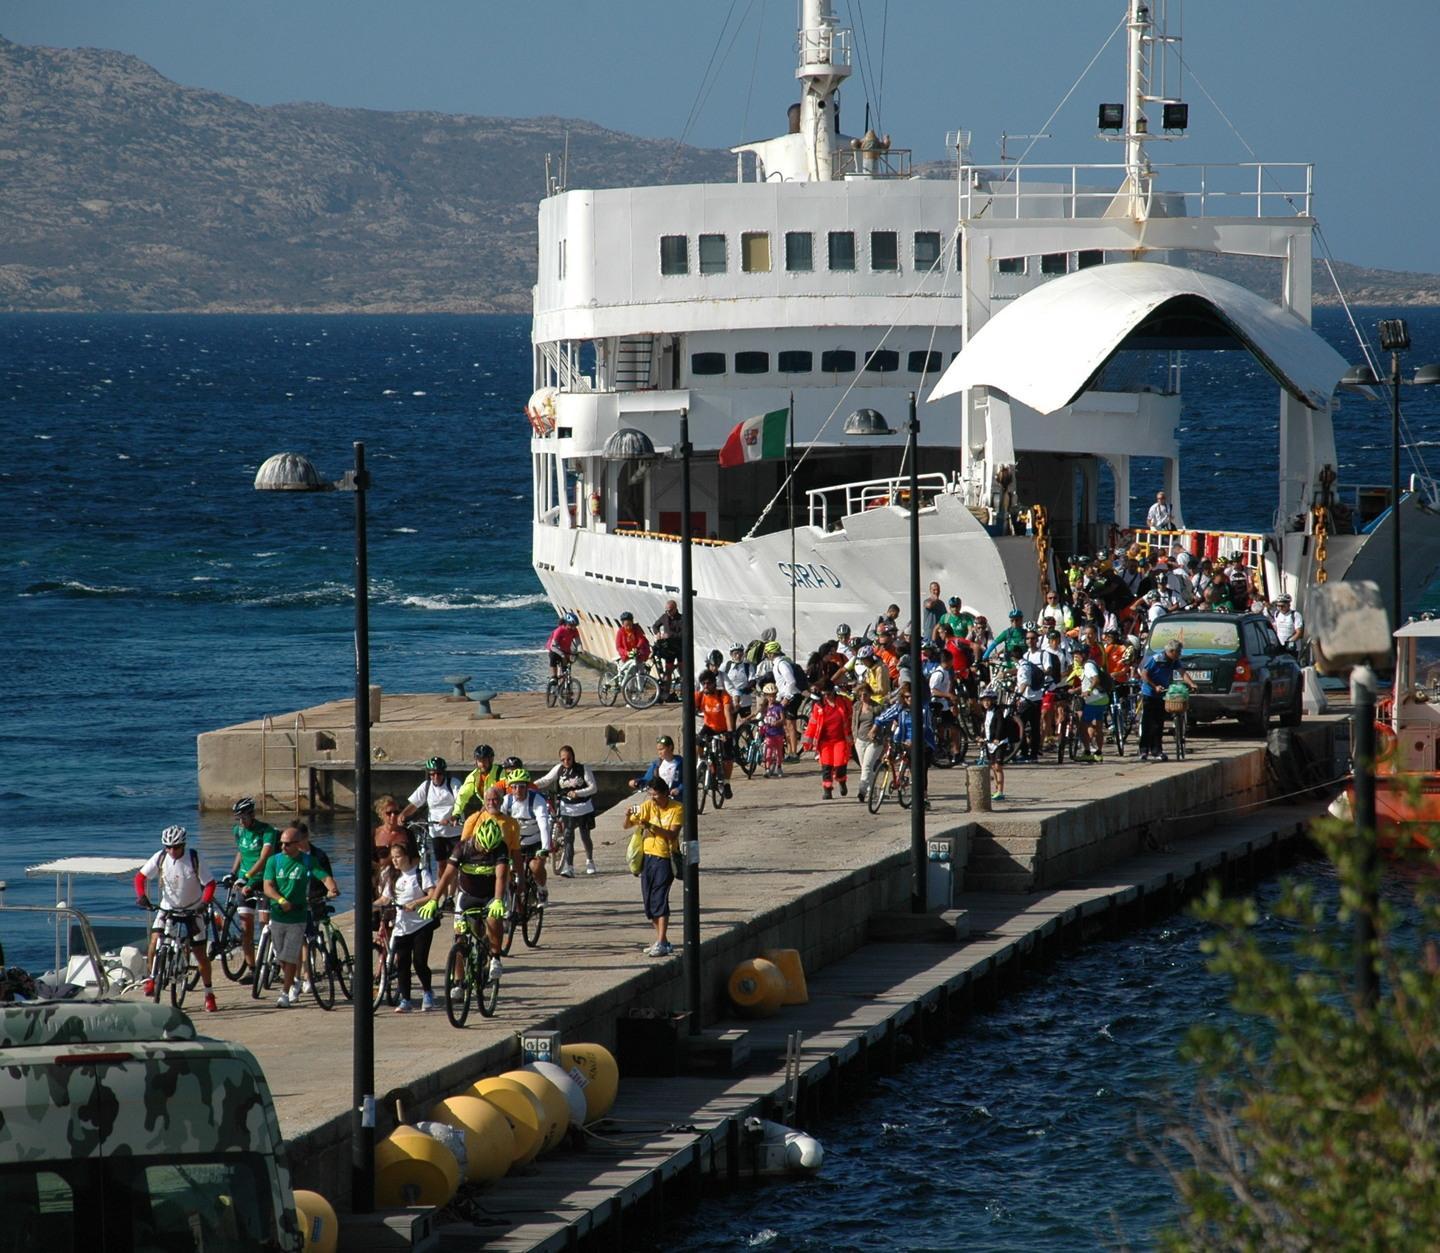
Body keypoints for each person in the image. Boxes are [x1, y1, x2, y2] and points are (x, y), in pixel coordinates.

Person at [427, 785, 520, 985]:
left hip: (490, 893)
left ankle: (495, 958)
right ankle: (459, 982)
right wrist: (436, 900)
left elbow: (502, 875)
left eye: (496, 799)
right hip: (468, 892)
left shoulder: (501, 844)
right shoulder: (465, 845)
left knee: (494, 919)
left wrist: (498, 900)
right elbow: (448, 875)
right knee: (460, 938)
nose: (486, 852)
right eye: (483, 848)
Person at [135, 825, 218, 1012]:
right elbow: (140, 878)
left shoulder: (194, 858)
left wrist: (204, 903)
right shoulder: (160, 857)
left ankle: (209, 993)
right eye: (168, 847)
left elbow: (210, 884)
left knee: (200, 955)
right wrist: (141, 896)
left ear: (184, 844)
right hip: (168, 908)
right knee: (155, 942)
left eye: (176, 847)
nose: (172, 851)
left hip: (193, 910)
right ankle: (151, 978)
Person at [261, 824, 339, 1008]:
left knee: (289, 956)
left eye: (287, 844)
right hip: (278, 914)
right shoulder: (274, 861)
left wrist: (332, 888)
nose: (283, 847)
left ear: (297, 844)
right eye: (281, 844)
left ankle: (284, 994)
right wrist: (281, 901)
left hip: (298, 916)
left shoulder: (307, 861)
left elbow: (324, 877)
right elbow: (268, 886)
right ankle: (294, 980)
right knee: (281, 956)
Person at [375, 839, 439, 1013]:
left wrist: (415, 903)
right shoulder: (393, 876)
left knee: (419, 961)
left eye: (398, 856)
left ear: (408, 857)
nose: (395, 860)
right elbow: (385, 898)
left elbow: (432, 894)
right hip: (401, 926)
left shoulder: (420, 873)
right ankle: (406, 999)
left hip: (421, 924)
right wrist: (370, 905)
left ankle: (427, 992)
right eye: (393, 857)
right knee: (403, 962)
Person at [623, 777, 683, 956]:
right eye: (650, 795)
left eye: (656, 795)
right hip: (648, 858)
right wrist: (628, 815)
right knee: (649, 902)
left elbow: (672, 834)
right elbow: (626, 825)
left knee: (659, 899)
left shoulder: (677, 808)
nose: (653, 799)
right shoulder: (648, 806)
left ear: (665, 793)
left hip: (664, 858)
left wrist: (651, 825)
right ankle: (661, 940)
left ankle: (662, 940)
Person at [225, 796, 276, 983]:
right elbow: (240, 851)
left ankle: (272, 962)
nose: (241, 822)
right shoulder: (238, 831)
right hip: (244, 883)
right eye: (238, 818)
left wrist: (246, 877)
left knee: (265, 925)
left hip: (263, 881)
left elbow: (264, 858)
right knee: (246, 928)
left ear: (252, 815)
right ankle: (253, 968)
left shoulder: (267, 831)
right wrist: (233, 872)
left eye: (244, 818)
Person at [535, 745, 599, 876]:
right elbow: (546, 780)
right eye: (563, 759)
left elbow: (593, 788)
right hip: (567, 808)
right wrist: (529, 785)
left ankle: (590, 860)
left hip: (584, 807)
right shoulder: (559, 769)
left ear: (573, 757)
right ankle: (569, 867)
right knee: (568, 836)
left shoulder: (583, 769)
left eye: (568, 759)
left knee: (585, 836)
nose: (566, 762)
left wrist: (578, 793)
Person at [1137, 638, 1196, 762]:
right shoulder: (1157, 659)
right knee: (1148, 723)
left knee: (1159, 724)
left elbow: (1182, 672)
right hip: (1150, 693)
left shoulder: (1174, 661)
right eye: (1178, 652)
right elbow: (1144, 674)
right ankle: (1143, 750)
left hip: (1162, 694)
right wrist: (1155, 686)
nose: (1179, 655)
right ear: (1172, 651)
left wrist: (1191, 684)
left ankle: (1157, 750)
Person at [400, 756, 462, 872]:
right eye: (432, 774)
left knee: (455, 865)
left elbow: (460, 802)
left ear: (443, 773)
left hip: (454, 831)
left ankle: (456, 888)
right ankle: (442, 889)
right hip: (436, 831)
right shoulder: (426, 786)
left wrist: (452, 817)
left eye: (439, 774)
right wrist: (403, 815)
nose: (436, 777)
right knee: (441, 864)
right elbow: (414, 804)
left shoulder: (453, 784)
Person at [502, 767, 553, 902]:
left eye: (522, 787)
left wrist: (545, 848)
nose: (518, 790)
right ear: (510, 788)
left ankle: (542, 889)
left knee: (535, 867)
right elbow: (496, 821)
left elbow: (544, 825)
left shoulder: (536, 800)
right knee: (506, 871)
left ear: (527, 787)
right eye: (515, 787)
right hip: (515, 842)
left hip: (534, 840)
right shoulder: (507, 801)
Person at [801, 681, 854, 798]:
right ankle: (827, 789)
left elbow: (852, 718)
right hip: (824, 741)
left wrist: (852, 734)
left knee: (840, 764)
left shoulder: (844, 702)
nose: (826, 697)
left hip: (841, 739)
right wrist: (807, 741)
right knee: (826, 766)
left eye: (829, 694)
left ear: (833, 692)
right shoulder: (818, 706)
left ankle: (841, 780)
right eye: (824, 694)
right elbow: (812, 724)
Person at [756, 640, 803, 758]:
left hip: (791, 696)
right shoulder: (777, 664)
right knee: (786, 725)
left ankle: (793, 753)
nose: (767, 656)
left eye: (767, 654)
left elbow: (791, 681)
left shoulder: (782, 664)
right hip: (783, 695)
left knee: (790, 725)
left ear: (771, 654)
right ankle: (789, 752)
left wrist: (787, 697)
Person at [695, 669, 737, 798]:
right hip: (709, 726)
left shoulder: (722, 695)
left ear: (714, 683)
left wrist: (730, 732)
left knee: (727, 758)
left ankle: (726, 783)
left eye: (708, 683)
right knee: (698, 742)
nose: (706, 686)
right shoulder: (701, 695)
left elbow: (727, 713)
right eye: (703, 684)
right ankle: (703, 761)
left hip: (724, 728)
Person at [451, 743, 501, 823]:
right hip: (487, 814)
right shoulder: (474, 776)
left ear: (491, 760)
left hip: (503, 812)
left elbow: (502, 792)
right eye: (479, 761)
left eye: (484, 760)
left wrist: (486, 807)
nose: (482, 764)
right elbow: (463, 795)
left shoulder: (500, 772)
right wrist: (456, 813)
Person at [1078, 651, 1111, 762]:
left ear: (1083, 655)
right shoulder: (1091, 664)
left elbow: (1096, 679)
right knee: (1099, 726)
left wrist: (1088, 691)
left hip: (1094, 699)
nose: (1075, 657)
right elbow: (1088, 682)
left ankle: (1087, 752)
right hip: (1102, 698)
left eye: (1077, 655)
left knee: (1083, 725)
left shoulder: (1088, 666)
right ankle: (1099, 753)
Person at [852, 685, 881, 802]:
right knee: (865, 767)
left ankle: (862, 791)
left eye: (865, 694)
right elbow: (854, 722)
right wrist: (854, 737)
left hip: (874, 741)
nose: (863, 697)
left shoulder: (877, 707)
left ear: (870, 694)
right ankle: (873, 790)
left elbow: (883, 724)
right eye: (860, 695)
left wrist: (880, 735)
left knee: (867, 766)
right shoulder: (857, 706)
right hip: (860, 740)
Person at [651, 599, 683, 694]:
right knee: (668, 671)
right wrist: (657, 633)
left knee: (682, 672)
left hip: (680, 648)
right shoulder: (665, 617)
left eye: (669, 610)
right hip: (669, 649)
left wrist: (670, 635)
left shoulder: (682, 618)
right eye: (666, 610)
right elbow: (655, 626)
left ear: (675, 609)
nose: (667, 612)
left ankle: (683, 692)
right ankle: (666, 692)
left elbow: (684, 634)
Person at [757, 683, 787, 776]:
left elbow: (783, 719)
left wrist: (777, 722)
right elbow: (758, 714)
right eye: (769, 696)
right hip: (768, 733)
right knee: (768, 753)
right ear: (766, 696)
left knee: (778, 752)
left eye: (773, 696)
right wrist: (748, 718)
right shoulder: (765, 707)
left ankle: (779, 767)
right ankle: (767, 769)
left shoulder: (779, 707)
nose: (771, 698)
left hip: (778, 733)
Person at [720, 642, 756, 719]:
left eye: (740, 653)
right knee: (730, 726)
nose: (738, 656)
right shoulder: (726, 665)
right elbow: (718, 678)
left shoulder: (748, 666)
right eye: (735, 653)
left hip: (745, 702)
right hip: (730, 702)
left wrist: (747, 689)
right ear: (731, 654)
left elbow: (752, 681)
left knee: (747, 726)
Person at [546, 612, 580, 680]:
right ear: (567, 623)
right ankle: (554, 677)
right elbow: (553, 646)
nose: (574, 627)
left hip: (566, 650)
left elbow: (578, 642)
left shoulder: (574, 631)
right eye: (572, 625)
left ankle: (563, 685)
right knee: (553, 658)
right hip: (555, 649)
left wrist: (580, 650)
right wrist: (562, 654)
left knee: (565, 670)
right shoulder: (559, 630)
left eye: (575, 625)